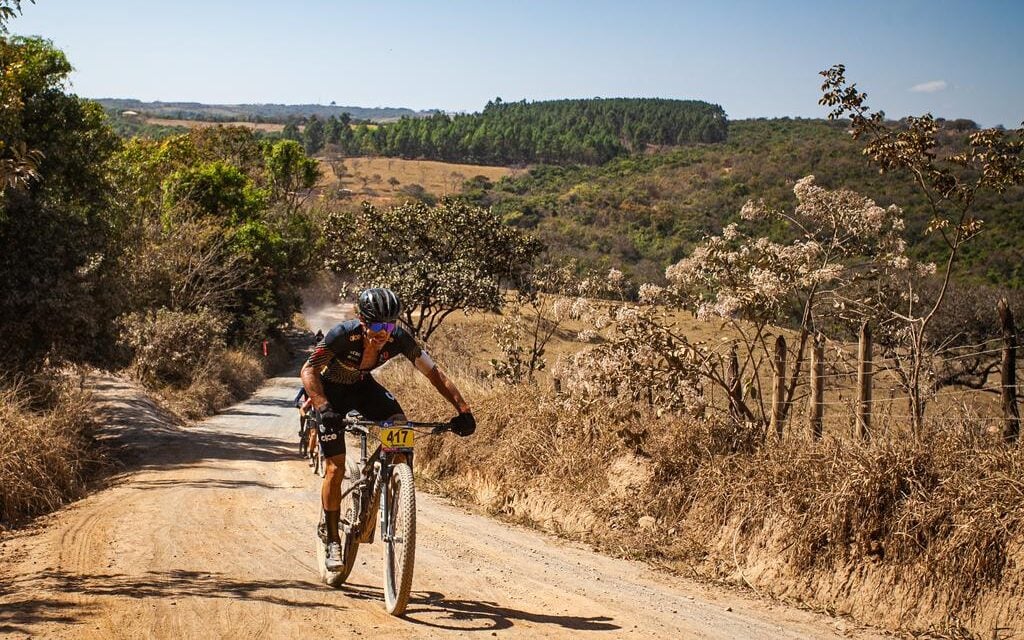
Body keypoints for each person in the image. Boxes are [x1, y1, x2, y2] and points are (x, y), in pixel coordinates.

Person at [300, 287, 475, 571]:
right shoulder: (342, 336)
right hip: (331, 393)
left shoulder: (399, 338)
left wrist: (463, 410)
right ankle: (332, 538)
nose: (384, 332)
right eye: (378, 325)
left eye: (390, 324)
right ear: (362, 321)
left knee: (399, 425)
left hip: (363, 388)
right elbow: (308, 370)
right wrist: (322, 407)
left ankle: (395, 485)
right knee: (335, 468)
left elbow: (434, 374)